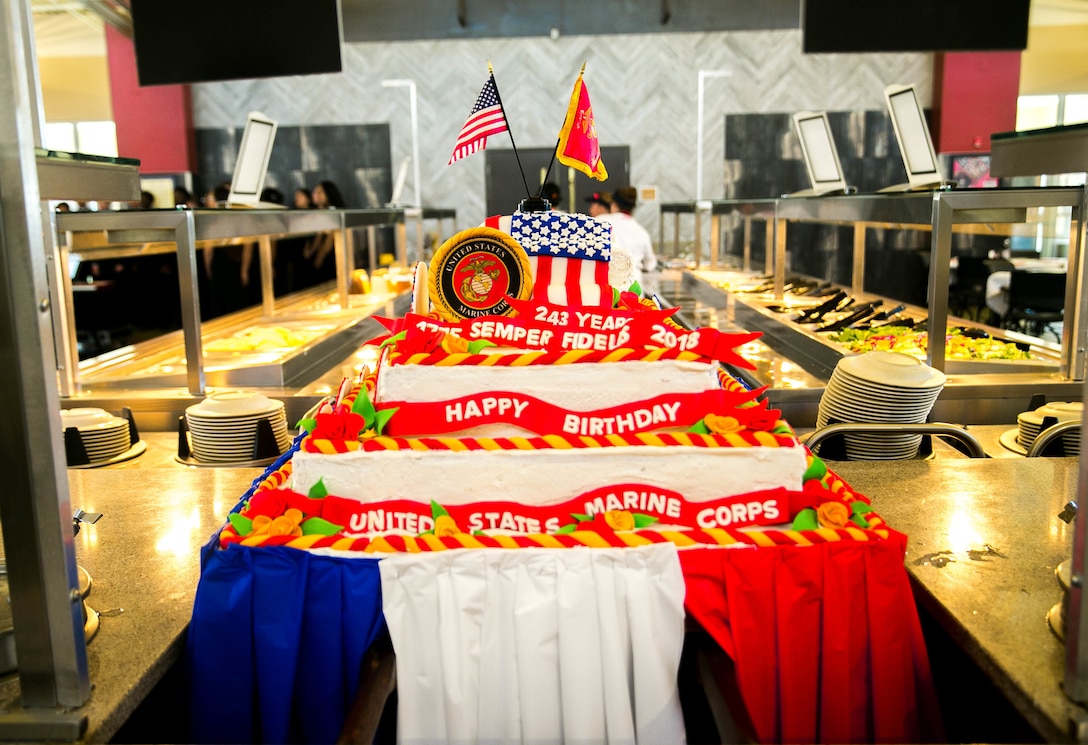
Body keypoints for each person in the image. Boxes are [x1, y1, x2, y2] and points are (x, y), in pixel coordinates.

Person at [600, 186, 658, 294]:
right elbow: (650, 264)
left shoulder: (601, 221)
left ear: (613, 204)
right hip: (633, 287)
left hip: (606, 283)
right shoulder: (641, 231)